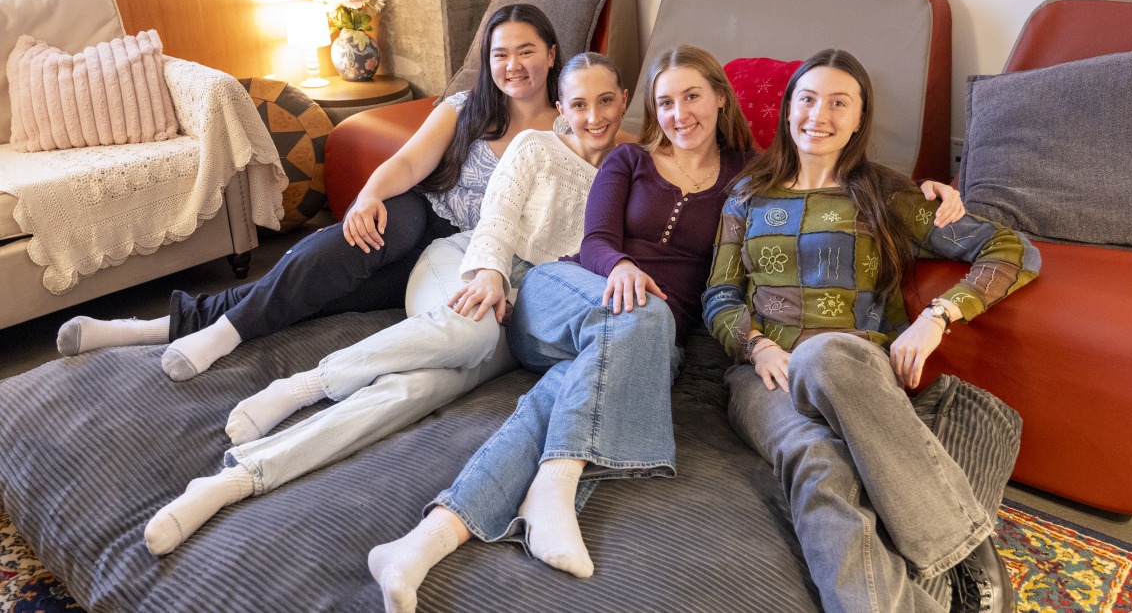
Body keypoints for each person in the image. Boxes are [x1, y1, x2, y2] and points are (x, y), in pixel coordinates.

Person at [365, 44, 966, 613]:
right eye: (666, 102)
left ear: (720, 100)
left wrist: (930, 190)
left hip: (651, 337)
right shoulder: (629, 159)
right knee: (639, 316)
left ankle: (421, 544)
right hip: (569, 295)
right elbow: (597, 242)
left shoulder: (748, 178)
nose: (680, 114)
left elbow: (816, 185)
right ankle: (556, 486)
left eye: (693, 97)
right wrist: (624, 265)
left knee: (561, 396)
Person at [140, 52, 632, 556]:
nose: (594, 116)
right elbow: (497, 220)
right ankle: (306, 384)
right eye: (579, 103)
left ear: (625, 101)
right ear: (561, 108)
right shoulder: (535, 145)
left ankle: (239, 478)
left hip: (522, 310)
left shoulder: (627, 175)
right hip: (469, 265)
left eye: (607, 101)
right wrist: (490, 273)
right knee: (471, 332)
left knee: (407, 395)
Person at [54, 3, 564, 382]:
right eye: (501, 54)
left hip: (466, 253)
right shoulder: (465, 106)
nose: (512, 65)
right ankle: (220, 335)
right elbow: (410, 162)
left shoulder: (568, 130)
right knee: (362, 240)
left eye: (526, 51)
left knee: (322, 291)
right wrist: (368, 197)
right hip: (422, 210)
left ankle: (146, 329)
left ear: (551, 54)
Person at [700, 49, 1040, 613]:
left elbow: (1010, 250)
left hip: (851, 366)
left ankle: (959, 547)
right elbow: (718, 295)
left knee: (827, 354)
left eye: (839, 102)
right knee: (817, 461)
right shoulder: (747, 194)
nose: (819, 114)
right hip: (763, 378)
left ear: (860, 119)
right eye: (807, 99)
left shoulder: (887, 193)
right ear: (788, 110)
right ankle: (935, 571)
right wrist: (755, 346)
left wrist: (937, 318)